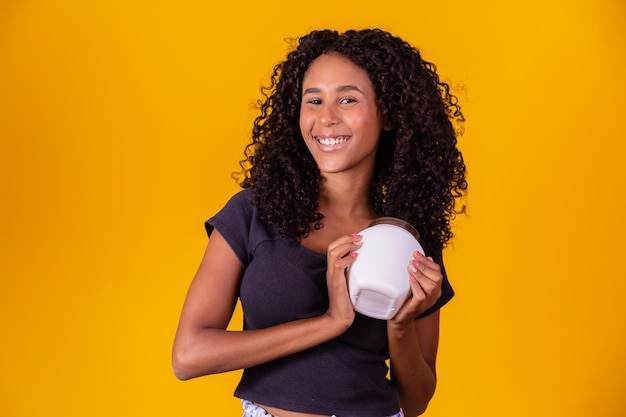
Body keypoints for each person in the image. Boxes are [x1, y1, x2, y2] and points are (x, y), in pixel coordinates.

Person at [172, 28, 467, 417]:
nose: (326, 117)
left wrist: (401, 325)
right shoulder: (253, 213)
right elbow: (189, 356)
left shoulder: (408, 238)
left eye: (348, 99)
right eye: (314, 100)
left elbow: (415, 402)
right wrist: (331, 322)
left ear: (390, 114)